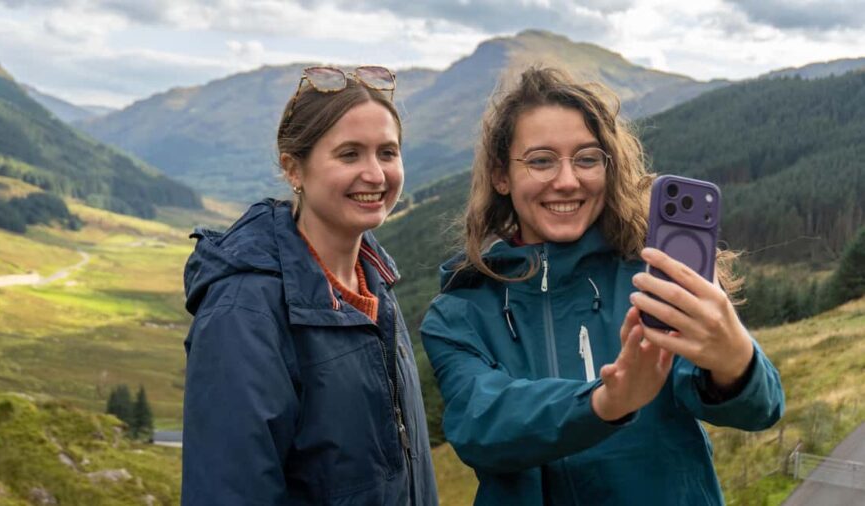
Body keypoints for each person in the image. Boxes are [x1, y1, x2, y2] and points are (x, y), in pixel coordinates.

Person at [420, 68, 784, 505]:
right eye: (541, 160)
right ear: (502, 176)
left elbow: (760, 408)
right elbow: (480, 423)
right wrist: (605, 401)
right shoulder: (461, 309)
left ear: (609, 167)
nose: (568, 180)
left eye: (588, 158)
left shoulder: (650, 275)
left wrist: (735, 361)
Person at [181, 66, 438, 505]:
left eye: (388, 153)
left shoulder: (376, 285)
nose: (375, 174)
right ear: (293, 169)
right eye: (350, 154)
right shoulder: (246, 310)